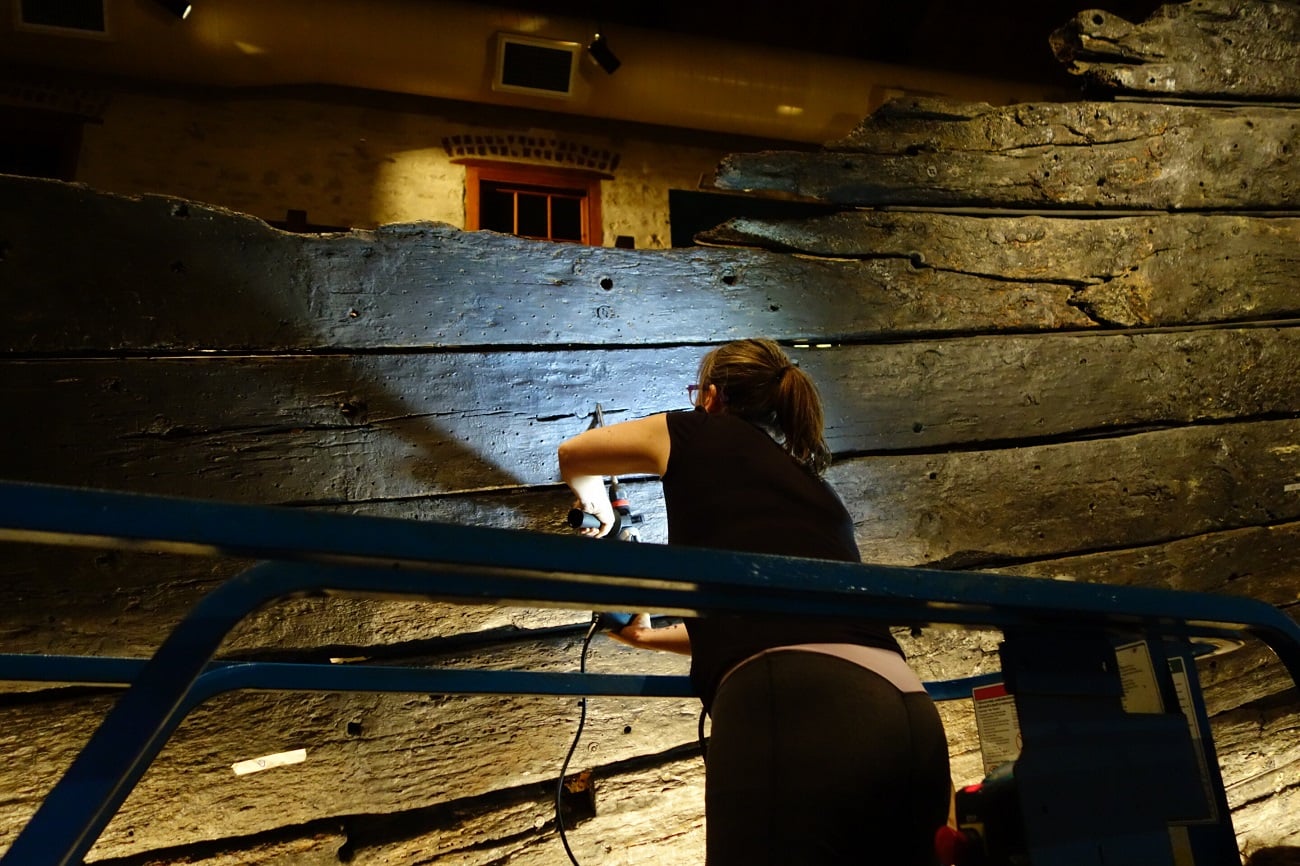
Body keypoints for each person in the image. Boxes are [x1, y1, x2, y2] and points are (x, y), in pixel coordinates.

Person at [557, 338, 951, 866]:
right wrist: (648, 637)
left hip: (798, 706)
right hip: (908, 709)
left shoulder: (696, 429)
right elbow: (778, 625)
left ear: (711, 397)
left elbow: (574, 455)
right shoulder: (817, 491)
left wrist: (597, 507)